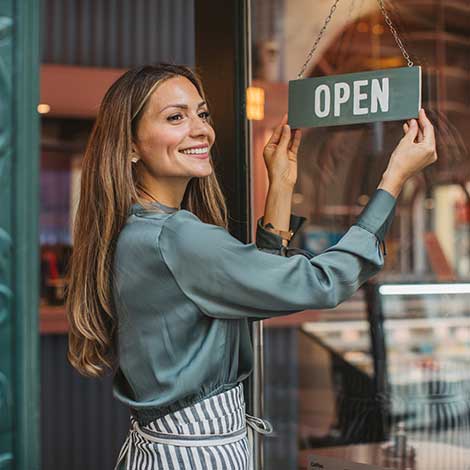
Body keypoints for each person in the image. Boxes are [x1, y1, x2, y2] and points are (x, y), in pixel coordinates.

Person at [65, 63, 437, 470]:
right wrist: (393, 179)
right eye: (176, 117)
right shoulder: (177, 237)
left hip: (164, 447)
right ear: (131, 146)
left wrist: (280, 186)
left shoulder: (138, 228)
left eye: (202, 114)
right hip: (195, 457)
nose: (200, 129)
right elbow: (322, 283)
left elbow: (258, 284)